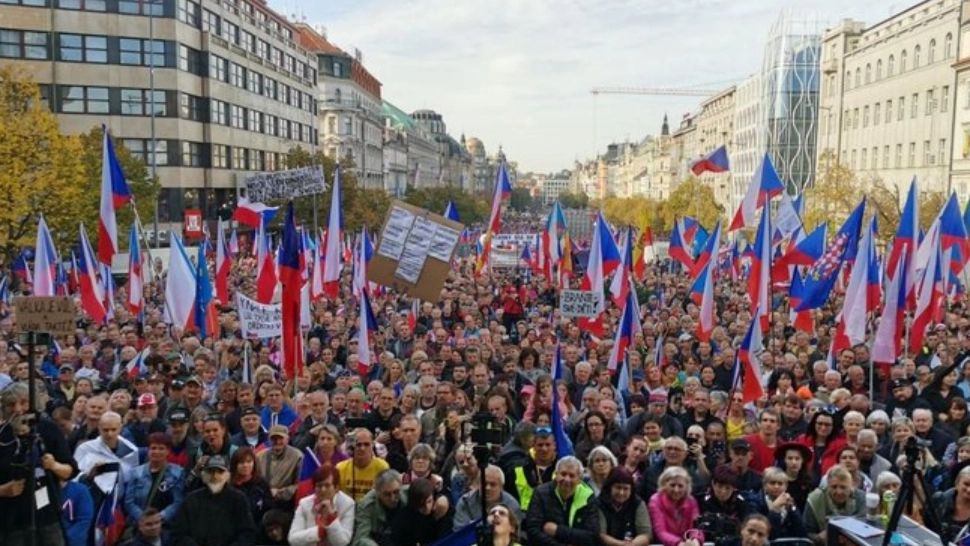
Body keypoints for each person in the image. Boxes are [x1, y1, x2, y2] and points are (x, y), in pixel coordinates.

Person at [0, 383, 77, 546]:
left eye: (23, 402)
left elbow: (70, 471)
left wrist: (54, 465)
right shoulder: (2, 436)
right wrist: (3, 490)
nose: (18, 409)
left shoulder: (48, 429)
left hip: (48, 517)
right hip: (11, 521)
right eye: (11, 404)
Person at [171, 455, 257, 545]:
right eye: (211, 472)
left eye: (220, 472)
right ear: (204, 475)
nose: (215, 476)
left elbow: (247, 533)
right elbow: (179, 534)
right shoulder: (191, 500)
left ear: (227, 475)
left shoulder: (239, 499)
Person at [524, 456, 599, 546]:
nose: (567, 479)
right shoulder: (540, 493)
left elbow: (592, 537)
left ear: (579, 479)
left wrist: (558, 530)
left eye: (572, 476)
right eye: (563, 474)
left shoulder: (588, 496)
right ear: (556, 475)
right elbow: (532, 530)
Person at [122, 432, 185, 526]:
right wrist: (143, 517)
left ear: (168, 451)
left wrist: (159, 517)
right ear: (148, 450)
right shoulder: (136, 473)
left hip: (166, 525)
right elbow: (129, 502)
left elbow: (178, 501)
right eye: (153, 448)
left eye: (161, 448)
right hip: (140, 525)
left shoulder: (177, 473)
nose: (156, 451)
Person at [289, 464, 356, 546]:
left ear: (336, 488)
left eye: (327, 485)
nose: (323, 490)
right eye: (319, 486)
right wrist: (319, 532)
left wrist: (331, 518)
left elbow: (342, 542)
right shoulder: (304, 504)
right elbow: (292, 539)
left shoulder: (348, 504)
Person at [803, 465, 866, 546]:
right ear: (828, 485)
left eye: (843, 487)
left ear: (851, 486)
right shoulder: (815, 499)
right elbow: (805, 534)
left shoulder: (860, 498)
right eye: (834, 487)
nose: (838, 492)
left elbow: (865, 528)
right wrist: (818, 538)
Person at [453, 464, 524, 530]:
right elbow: (460, 533)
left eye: (493, 484)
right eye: (484, 483)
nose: (487, 488)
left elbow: (514, 533)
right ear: (478, 484)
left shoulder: (512, 505)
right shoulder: (465, 502)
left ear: (501, 487)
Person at [647, 466, 704, 546]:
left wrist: (696, 540)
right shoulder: (655, 500)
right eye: (672, 485)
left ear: (686, 486)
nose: (676, 490)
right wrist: (679, 543)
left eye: (680, 486)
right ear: (664, 484)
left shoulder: (692, 501)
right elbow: (661, 531)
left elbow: (696, 527)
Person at [595, 467, 651, 546]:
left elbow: (646, 534)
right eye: (618, 487)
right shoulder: (599, 503)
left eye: (626, 489)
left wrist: (632, 544)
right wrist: (621, 544)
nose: (621, 493)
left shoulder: (638, 503)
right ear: (610, 487)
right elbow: (601, 535)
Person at [749, 467, 807, 540]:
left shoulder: (789, 501)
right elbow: (769, 534)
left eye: (780, 484)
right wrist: (775, 510)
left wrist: (793, 509)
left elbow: (802, 532)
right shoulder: (755, 503)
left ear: (786, 487)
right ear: (764, 486)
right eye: (772, 483)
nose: (776, 486)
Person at [389, 477, 450, 546]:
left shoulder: (439, 509)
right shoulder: (403, 519)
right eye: (421, 504)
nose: (426, 507)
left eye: (429, 501)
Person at [256, 424, 304, 509]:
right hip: (262, 501)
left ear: (287, 439)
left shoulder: (298, 456)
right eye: (274, 439)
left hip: (286, 504)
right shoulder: (260, 456)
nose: (277, 442)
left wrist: (280, 492)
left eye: (280, 438)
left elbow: (301, 485)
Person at [338, 428, 390, 501]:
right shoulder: (340, 468)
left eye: (366, 444)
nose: (362, 448)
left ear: (372, 445)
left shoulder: (382, 467)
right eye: (358, 444)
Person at [229, 446, 273, 527]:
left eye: (249, 461)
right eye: (241, 462)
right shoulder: (229, 486)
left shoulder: (261, 484)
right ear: (235, 465)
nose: (245, 465)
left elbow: (269, 509)